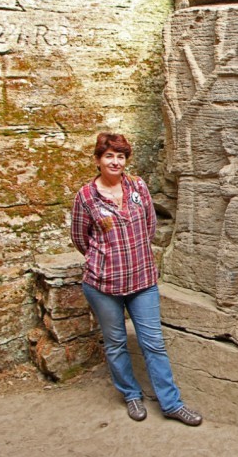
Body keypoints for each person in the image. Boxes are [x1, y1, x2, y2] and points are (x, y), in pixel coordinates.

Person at [70, 132, 202, 426]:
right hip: (103, 285)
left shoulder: (138, 187)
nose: (115, 162)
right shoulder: (86, 197)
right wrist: (104, 257)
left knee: (153, 342)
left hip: (142, 280)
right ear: (97, 160)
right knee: (115, 342)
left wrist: (134, 254)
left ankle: (171, 404)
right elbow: (80, 238)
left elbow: (150, 226)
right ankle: (131, 394)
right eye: (109, 156)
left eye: (120, 156)